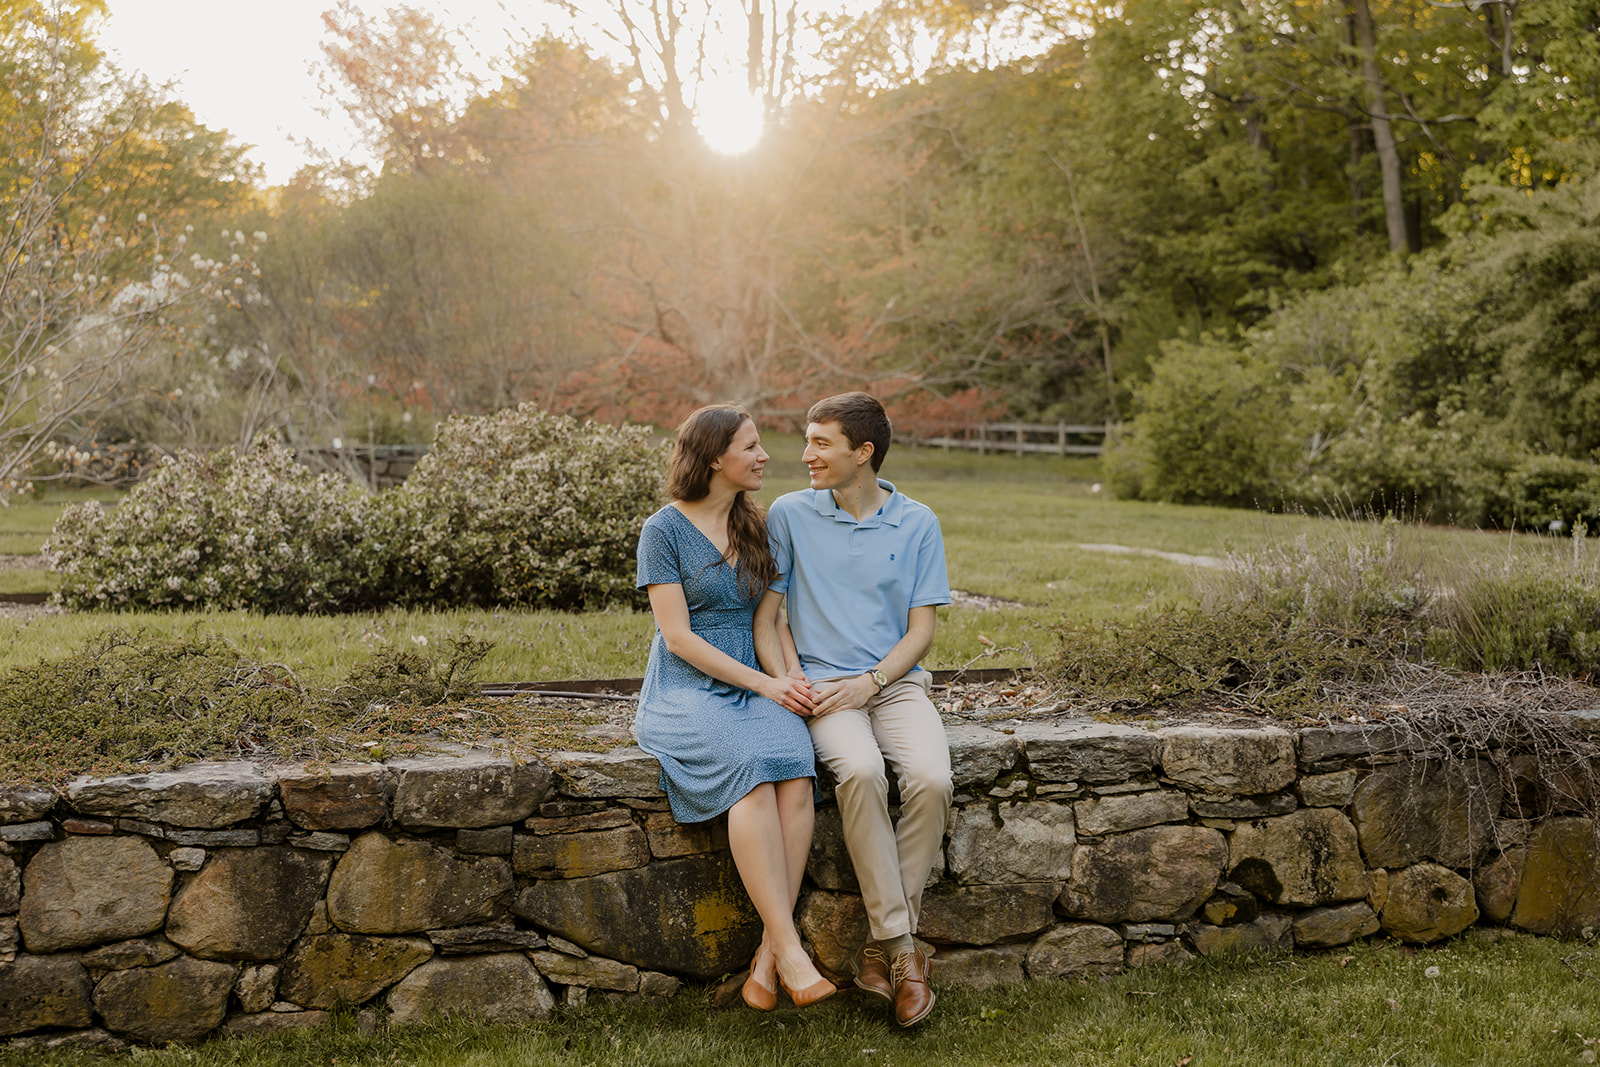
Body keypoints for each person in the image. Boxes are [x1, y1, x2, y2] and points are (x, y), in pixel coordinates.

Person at [755, 391, 953, 1028]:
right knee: (861, 772)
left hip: (893, 684)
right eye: (807, 440)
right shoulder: (789, 514)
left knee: (932, 779)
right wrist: (791, 681)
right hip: (822, 689)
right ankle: (902, 953)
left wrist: (874, 681)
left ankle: (883, 948)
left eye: (821, 443)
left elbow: (921, 631)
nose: (805, 454)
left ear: (862, 453)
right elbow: (768, 615)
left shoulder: (918, 522)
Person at [633, 404, 836, 1011]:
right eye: (751, 447)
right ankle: (791, 948)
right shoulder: (662, 531)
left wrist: (789, 681)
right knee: (751, 775)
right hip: (687, 688)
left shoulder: (760, 525)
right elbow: (679, 639)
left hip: (758, 679)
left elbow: (768, 620)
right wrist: (764, 686)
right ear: (715, 457)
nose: (765, 456)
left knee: (796, 774)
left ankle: (769, 958)